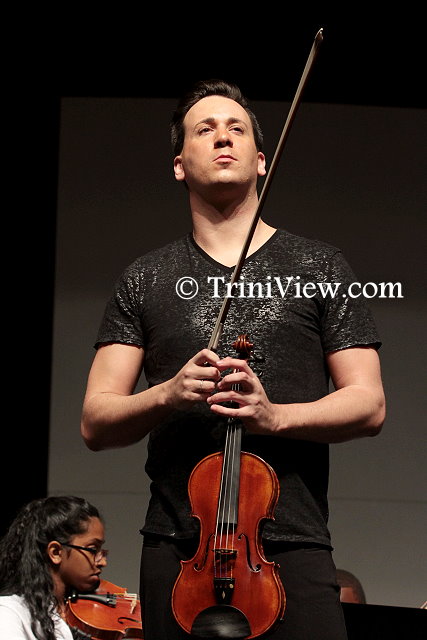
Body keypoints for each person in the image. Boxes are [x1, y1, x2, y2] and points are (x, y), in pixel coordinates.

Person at [80, 79, 386, 640]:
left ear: (262, 160)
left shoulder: (320, 267)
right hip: (178, 548)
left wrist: (274, 417)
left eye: (237, 128)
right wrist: (168, 394)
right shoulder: (145, 277)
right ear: (179, 165)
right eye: (205, 129)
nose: (223, 137)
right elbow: (96, 421)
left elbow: (368, 404)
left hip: (291, 541)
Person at [0, 495, 108, 640]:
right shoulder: (10, 613)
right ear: (56, 552)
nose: (103, 562)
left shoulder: (71, 616)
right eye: (93, 549)